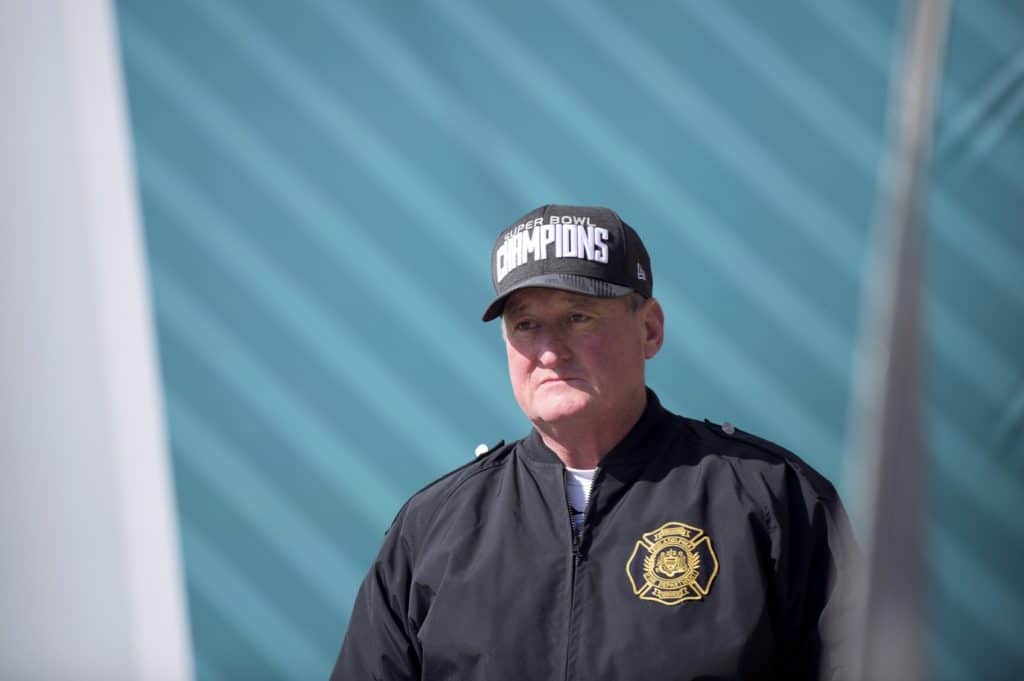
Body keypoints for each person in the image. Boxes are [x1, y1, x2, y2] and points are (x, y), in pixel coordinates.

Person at [330, 204, 857, 680]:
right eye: (526, 324)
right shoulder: (431, 529)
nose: (549, 351)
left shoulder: (773, 501)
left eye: (578, 317)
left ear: (649, 329)